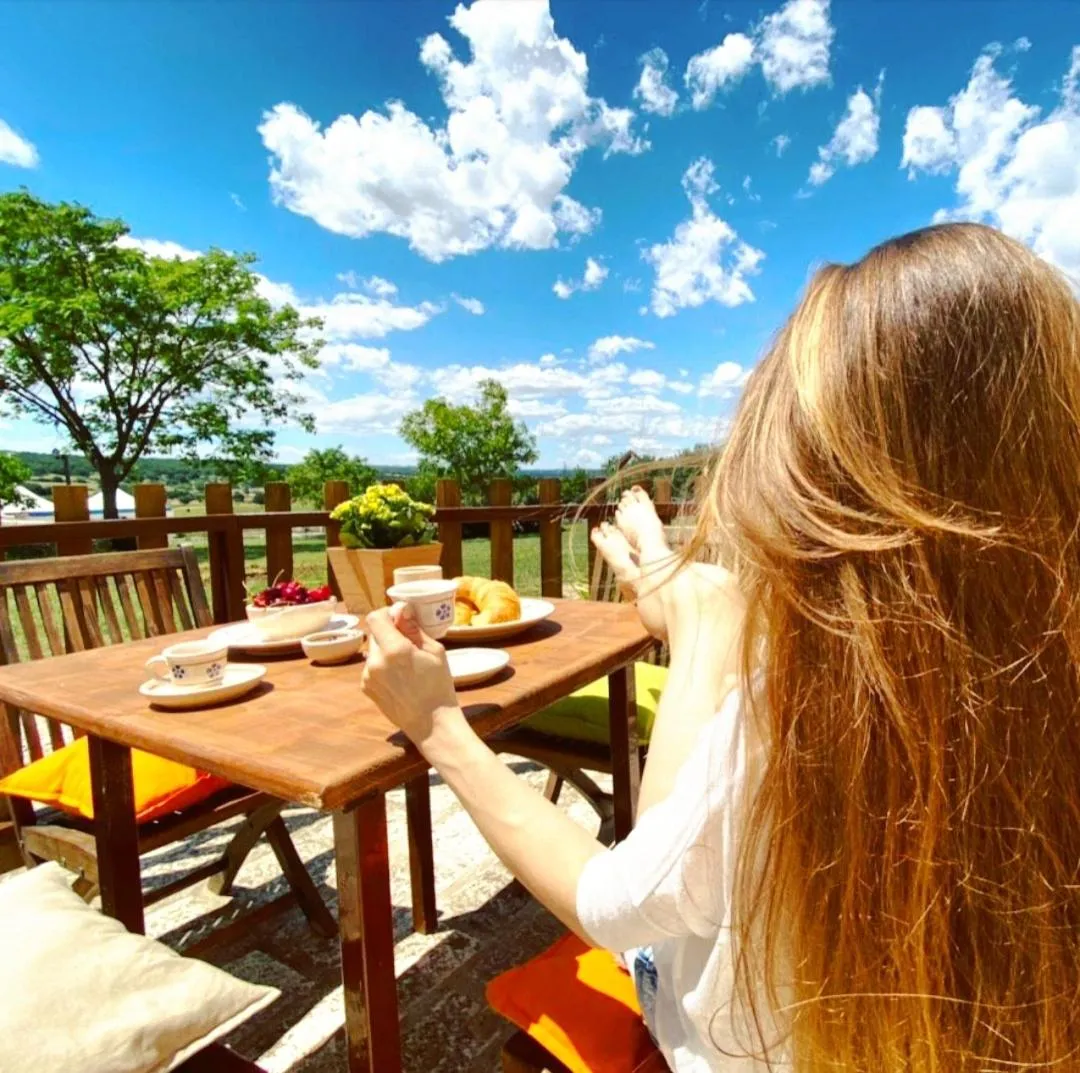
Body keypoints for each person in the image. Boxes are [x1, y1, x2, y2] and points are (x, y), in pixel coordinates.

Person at [361, 222, 1080, 1072]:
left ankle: (689, 601)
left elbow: (611, 904)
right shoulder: (1026, 682)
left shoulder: (801, 722)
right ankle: (684, 593)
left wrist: (438, 721)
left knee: (711, 652)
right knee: (718, 625)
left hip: (706, 1026)